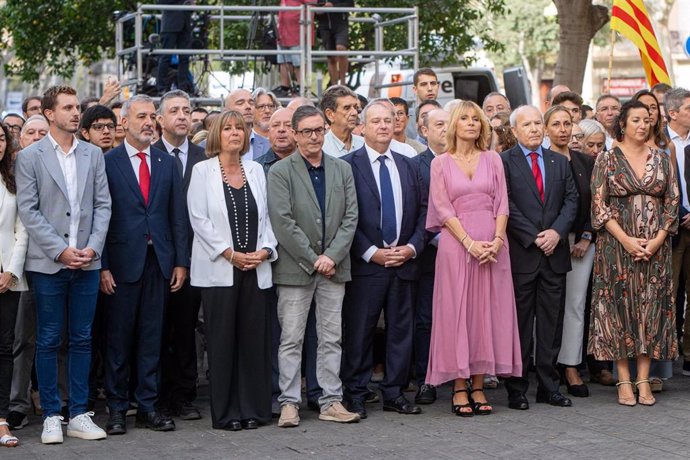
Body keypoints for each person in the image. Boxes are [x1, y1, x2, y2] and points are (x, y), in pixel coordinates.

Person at [15, 85, 111, 444]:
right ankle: (52, 415)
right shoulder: (30, 157)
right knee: (49, 338)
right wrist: (60, 250)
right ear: (50, 113)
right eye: (68, 107)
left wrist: (92, 248)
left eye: (76, 107)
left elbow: (103, 205)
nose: (76, 113)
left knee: (83, 338)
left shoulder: (92, 155)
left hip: (87, 260)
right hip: (48, 263)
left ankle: (79, 413)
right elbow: (30, 210)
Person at [425, 101, 522, 417]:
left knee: (486, 314)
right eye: (464, 118)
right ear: (454, 124)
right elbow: (442, 209)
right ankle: (458, 386)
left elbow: (503, 204)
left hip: (493, 246)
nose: (471, 123)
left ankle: (478, 385)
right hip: (457, 247)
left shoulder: (493, 159)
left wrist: (496, 241)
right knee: (458, 313)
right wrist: (468, 242)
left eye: (476, 119)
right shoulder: (440, 163)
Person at [100, 95, 188, 435]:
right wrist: (103, 265)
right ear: (124, 123)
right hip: (121, 264)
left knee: (153, 338)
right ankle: (118, 409)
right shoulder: (108, 163)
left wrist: (180, 261)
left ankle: (148, 407)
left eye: (152, 116)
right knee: (119, 341)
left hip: (159, 263)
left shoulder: (167, 163)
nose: (149, 122)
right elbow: (101, 218)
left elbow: (176, 217)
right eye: (141, 116)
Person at [268, 106, 360, 427]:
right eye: (306, 131)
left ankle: (331, 400)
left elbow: (351, 217)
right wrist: (313, 258)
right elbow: (283, 222)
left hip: (334, 267)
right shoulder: (280, 172)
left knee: (331, 337)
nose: (314, 137)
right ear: (294, 134)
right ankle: (289, 402)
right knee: (292, 338)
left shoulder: (341, 170)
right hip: (296, 269)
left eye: (319, 130)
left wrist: (332, 256)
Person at [187, 110, 277, 430]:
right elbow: (199, 219)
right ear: (216, 135)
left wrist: (265, 250)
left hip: (255, 266)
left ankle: (254, 409)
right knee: (223, 341)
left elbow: (267, 218)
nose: (235, 134)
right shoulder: (202, 171)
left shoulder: (255, 169)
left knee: (254, 340)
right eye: (228, 128)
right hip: (219, 269)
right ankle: (226, 414)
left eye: (240, 128)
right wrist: (229, 253)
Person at [589, 100, 679, 406]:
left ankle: (644, 379)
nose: (643, 125)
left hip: (656, 249)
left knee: (650, 312)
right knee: (618, 310)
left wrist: (658, 240)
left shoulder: (663, 159)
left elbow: (672, 202)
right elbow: (598, 205)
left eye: (647, 120)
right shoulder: (607, 159)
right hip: (616, 248)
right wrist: (626, 239)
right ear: (623, 124)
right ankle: (623, 379)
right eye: (636, 120)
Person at [341, 100, 427, 419]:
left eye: (388, 120)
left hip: (404, 262)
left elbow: (423, 212)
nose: (383, 126)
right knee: (360, 331)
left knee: (401, 330)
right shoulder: (347, 165)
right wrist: (370, 252)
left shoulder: (410, 165)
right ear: (362, 126)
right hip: (367, 264)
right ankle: (357, 393)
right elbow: (346, 217)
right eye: (375, 121)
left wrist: (412, 248)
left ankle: (394, 392)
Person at [500, 105, 578, 410]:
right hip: (523, 254)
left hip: (554, 254)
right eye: (526, 124)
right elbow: (505, 202)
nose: (534, 128)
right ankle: (516, 388)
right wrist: (534, 236)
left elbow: (572, 200)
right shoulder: (504, 162)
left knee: (551, 323)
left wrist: (556, 233)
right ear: (514, 131)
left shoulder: (559, 162)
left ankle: (549, 386)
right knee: (519, 325)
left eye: (537, 123)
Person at [153, 90, 206, 421]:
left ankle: (185, 395)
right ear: (160, 119)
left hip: (195, 257)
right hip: (156, 258)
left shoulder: (204, 156)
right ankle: (156, 395)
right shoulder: (149, 154)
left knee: (186, 329)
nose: (182, 116)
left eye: (187, 110)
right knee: (156, 329)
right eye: (174, 111)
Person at [544, 106, 595, 398]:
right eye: (556, 124)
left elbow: (596, 200)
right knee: (548, 306)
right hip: (548, 241)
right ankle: (545, 365)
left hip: (581, 242)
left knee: (575, 305)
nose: (563, 129)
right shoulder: (538, 159)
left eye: (567, 123)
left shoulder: (585, 161)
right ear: (545, 128)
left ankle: (571, 365)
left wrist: (587, 235)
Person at [411, 108, 449, 406]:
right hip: (429, 256)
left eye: (450, 123)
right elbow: (417, 212)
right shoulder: (415, 166)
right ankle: (426, 379)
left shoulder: (466, 163)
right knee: (426, 319)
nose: (445, 129)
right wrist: (441, 238)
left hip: (466, 254)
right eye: (439, 124)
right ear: (424, 131)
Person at [0, 124, 28, 448]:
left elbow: (23, 230)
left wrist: (11, 272)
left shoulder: (13, 180)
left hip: (8, 279)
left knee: (4, 349)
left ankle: (2, 419)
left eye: (1, 138)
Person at [663, 88, 690, 375]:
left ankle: (689, 353)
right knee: (668, 294)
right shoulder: (660, 142)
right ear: (673, 113)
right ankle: (666, 353)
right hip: (671, 229)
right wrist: (680, 215)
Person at [156, 0, 194, 95]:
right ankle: (161, 87)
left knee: (184, 58)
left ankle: (183, 88)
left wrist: (191, 4)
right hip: (170, 25)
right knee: (165, 57)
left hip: (185, 26)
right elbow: (160, 2)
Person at [223, 89, 270, 160]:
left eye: (251, 103)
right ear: (226, 110)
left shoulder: (269, 146)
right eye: (240, 103)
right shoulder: (208, 145)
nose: (248, 106)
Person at [316, 0, 353, 86]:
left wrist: (333, 6)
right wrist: (320, 10)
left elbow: (350, 4)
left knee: (341, 48)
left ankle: (343, 83)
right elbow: (313, 7)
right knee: (331, 58)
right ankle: (334, 86)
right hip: (324, 26)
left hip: (341, 24)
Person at [321, 85, 363, 158]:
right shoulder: (321, 148)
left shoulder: (364, 145)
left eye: (355, 107)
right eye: (347, 108)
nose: (354, 113)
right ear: (330, 114)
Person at [406, 68, 439, 139]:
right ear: (415, 90)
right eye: (424, 84)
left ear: (438, 86)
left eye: (433, 83)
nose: (430, 88)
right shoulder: (406, 119)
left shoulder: (447, 115)